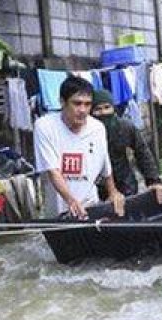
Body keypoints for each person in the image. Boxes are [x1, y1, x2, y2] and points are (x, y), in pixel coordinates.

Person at [34, 75, 125, 219]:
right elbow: (53, 171)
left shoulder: (98, 128)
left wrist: (113, 192)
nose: (83, 110)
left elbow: (105, 165)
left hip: (90, 207)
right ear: (62, 102)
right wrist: (71, 200)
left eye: (87, 104)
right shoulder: (45, 126)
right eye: (77, 103)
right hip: (59, 213)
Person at [90, 90, 162, 204]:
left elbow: (142, 152)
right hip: (96, 187)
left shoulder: (125, 127)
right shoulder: (87, 132)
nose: (103, 112)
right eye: (98, 109)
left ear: (113, 108)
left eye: (107, 107)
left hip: (125, 184)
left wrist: (153, 180)